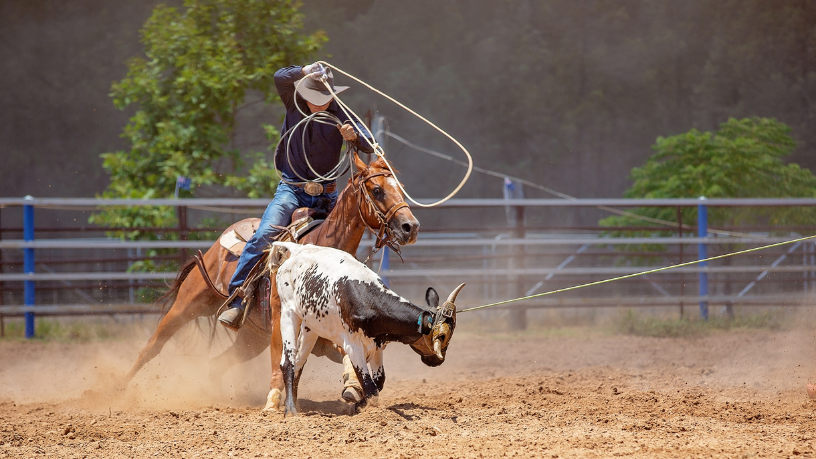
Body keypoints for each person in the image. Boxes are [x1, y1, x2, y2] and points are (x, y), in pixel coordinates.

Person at [218, 62, 374, 330]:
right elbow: (280, 76)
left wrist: (355, 136)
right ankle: (238, 299)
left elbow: (370, 143)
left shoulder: (341, 113)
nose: (319, 104)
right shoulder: (294, 104)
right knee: (264, 234)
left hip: (327, 195)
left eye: (324, 98)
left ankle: (350, 308)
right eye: (314, 98)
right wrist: (304, 70)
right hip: (292, 190)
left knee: (345, 246)